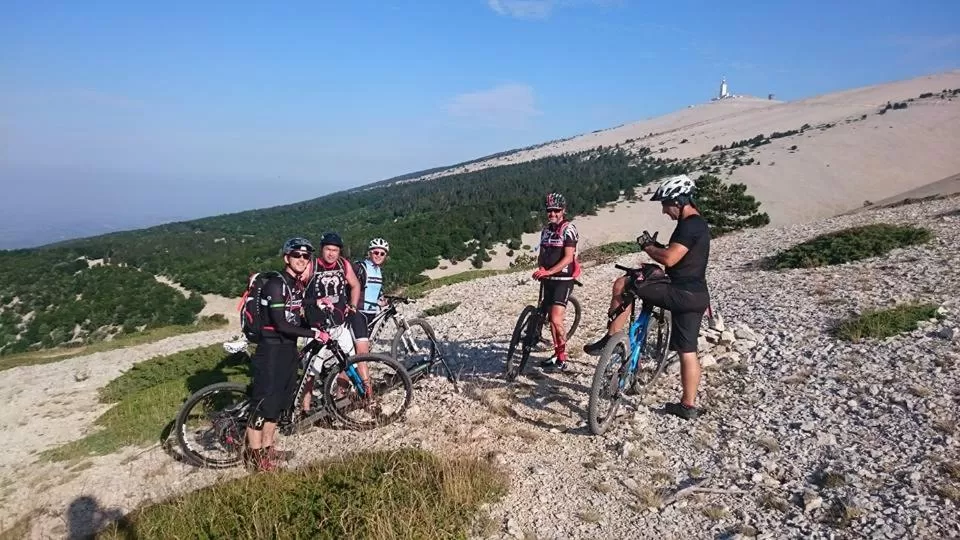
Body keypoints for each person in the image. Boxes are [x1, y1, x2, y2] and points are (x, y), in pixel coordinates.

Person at [583, 174, 711, 420]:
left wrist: (647, 246)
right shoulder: (699, 224)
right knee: (688, 351)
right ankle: (687, 406)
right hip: (697, 296)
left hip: (677, 292)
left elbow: (670, 258)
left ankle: (610, 340)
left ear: (679, 200)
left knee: (623, 283)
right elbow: (682, 257)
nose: (664, 211)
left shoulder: (689, 225)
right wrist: (657, 246)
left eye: (665, 204)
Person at [245, 237, 327, 472]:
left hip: (288, 348)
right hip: (271, 349)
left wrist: (317, 302)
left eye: (305, 256)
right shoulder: (275, 285)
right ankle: (255, 456)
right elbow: (281, 324)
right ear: (286, 258)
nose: (302, 259)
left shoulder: (294, 285)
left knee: (279, 403)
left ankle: (269, 448)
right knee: (263, 405)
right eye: (296, 255)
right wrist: (313, 333)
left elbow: (296, 307)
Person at [301, 231, 369, 413]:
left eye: (335, 250)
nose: (331, 253)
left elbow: (355, 285)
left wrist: (353, 306)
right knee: (311, 372)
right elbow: (297, 293)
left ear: (339, 251)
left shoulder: (343, 264)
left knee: (348, 363)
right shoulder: (311, 266)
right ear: (322, 250)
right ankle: (304, 408)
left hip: (339, 326)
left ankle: (341, 398)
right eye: (328, 249)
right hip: (316, 328)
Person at [532, 192, 579, 372]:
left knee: (556, 319)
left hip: (563, 280)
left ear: (563, 210)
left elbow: (568, 258)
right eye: (549, 210)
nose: (552, 214)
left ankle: (562, 356)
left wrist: (550, 270)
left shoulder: (569, 229)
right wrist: (541, 269)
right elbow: (542, 254)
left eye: (556, 210)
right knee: (549, 319)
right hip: (548, 279)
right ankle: (557, 354)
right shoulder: (546, 231)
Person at [353, 237, 390, 329]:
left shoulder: (379, 270)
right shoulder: (360, 267)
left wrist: (381, 301)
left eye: (382, 254)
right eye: (376, 252)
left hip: (372, 312)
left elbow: (376, 291)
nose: (379, 256)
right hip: (359, 312)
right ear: (370, 253)